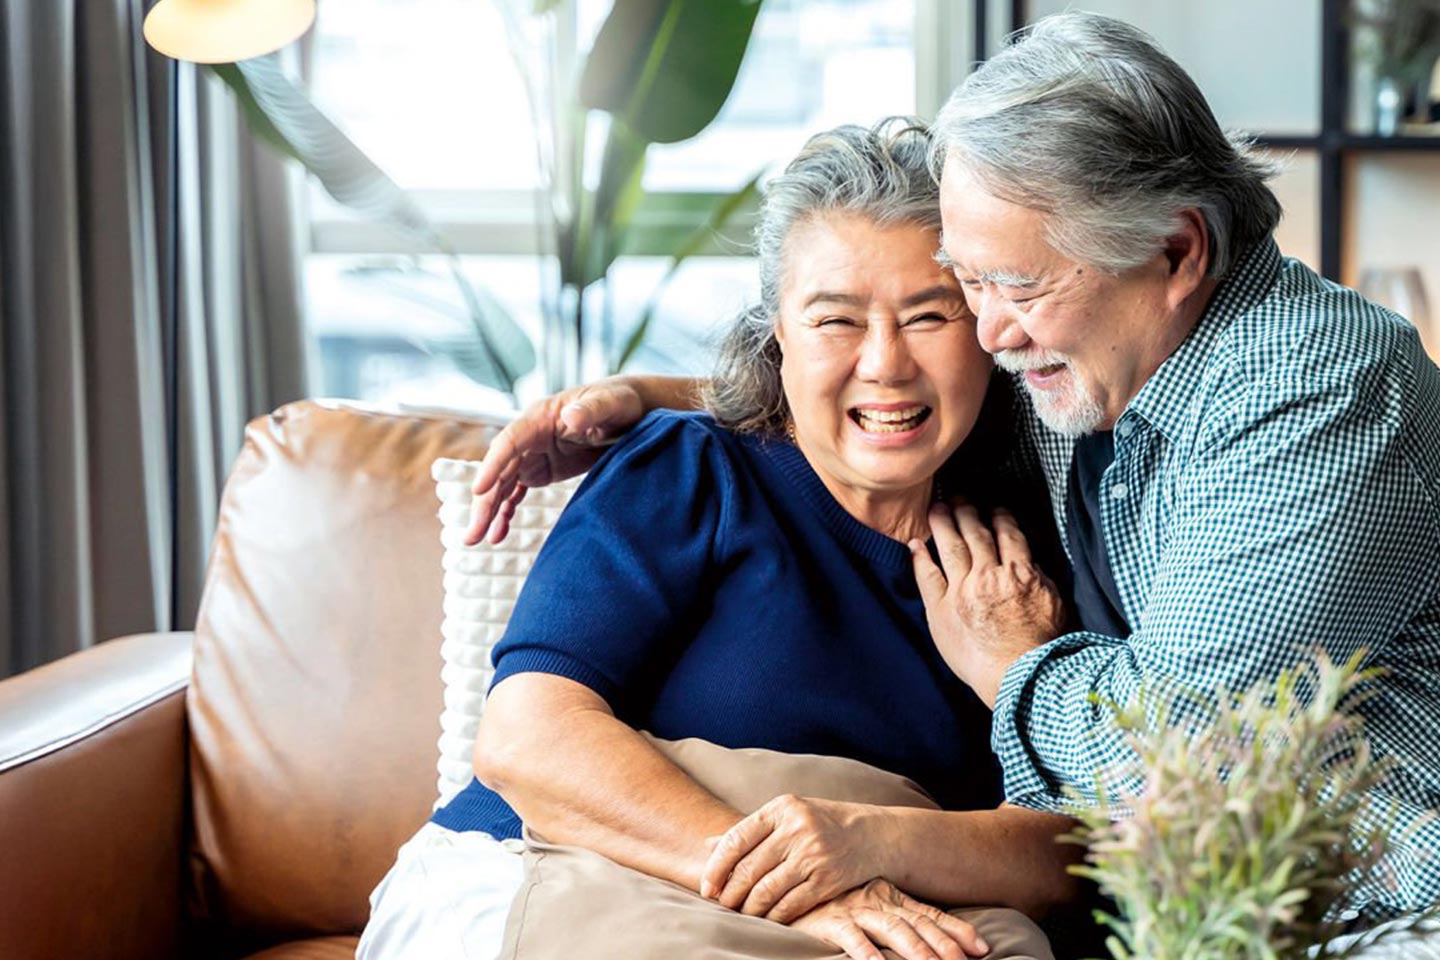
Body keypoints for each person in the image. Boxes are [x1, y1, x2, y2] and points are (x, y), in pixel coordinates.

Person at [470, 13, 1440, 927]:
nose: (992, 329)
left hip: (1368, 902)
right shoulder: (1088, 358)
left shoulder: (1314, 402)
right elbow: (882, 382)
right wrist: (653, 394)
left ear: (1176, 250)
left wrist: (1012, 664)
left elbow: (1159, 776)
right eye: (970, 286)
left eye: (1001, 291)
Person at [358, 119, 1083, 960]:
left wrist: (1007, 687)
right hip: (569, 862)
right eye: (835, 320)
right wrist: (788, 884)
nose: (886, 364)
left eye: (929, 314)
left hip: (883, 911)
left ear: (990, 326)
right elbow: (526, 736)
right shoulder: (693, 466)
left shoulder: (1023, 561)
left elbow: (1072, 854)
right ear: (778, 332)